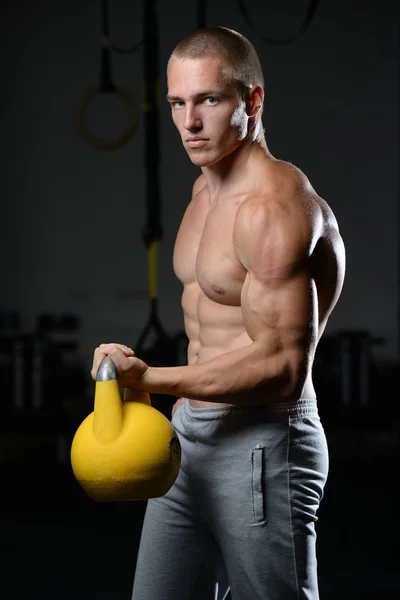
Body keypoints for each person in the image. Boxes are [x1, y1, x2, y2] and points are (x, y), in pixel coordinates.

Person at [91, 26, 346, 600]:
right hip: (190, 436)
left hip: (262, 444)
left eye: (209, 100)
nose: (189, 123)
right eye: (178, 103)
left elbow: (281, 366)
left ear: (252, 101)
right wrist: (176, 393)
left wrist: (150, 379)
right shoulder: (202, 195)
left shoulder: (275, 208)